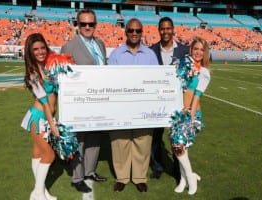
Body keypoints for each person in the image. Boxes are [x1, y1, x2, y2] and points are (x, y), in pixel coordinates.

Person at [108, 18, 159, 193]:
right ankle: (122, 177)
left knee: (142, 142)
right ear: (126, 32)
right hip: (120, 107)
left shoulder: (150, 55)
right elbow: (110, 80)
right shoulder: (116, 54)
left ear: (142, 32)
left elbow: (157, 81)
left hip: (143, 108)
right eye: (131, 30)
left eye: (138, 30)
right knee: (120, 142)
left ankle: (139, 177)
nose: (134, 33)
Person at [60, 8, 107, 193]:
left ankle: (89, 171)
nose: (87, 27)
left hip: (99, 100)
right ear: (77, 25)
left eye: (91, 24)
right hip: (79, 102)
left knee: (95, 138)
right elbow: (62, 76)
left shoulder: (101, 44)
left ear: (95, 25)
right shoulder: (69, 47)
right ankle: (78, 177)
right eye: (83, 24)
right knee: (78, 139)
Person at [21, 33, 60, 200]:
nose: (40, 51)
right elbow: (45, 103)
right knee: (49, 154)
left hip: (46, 116)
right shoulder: (33, 73)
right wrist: (52, 125)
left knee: (38, 153)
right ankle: (37, 194)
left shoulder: (49, 66)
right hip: (39, 117)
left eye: (42, 47)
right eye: (35, 49)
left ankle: (41, 191)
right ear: (30, 52)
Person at [170, 37, 211, 195]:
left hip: (191, 114)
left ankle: (190, 176)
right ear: (191, 50)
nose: (199, 52)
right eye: (196, 49)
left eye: (202, 50)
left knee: (178, 147)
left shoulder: (205, 73)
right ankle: (183, 179)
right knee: (178, 148)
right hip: (178, 113)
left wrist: (189, 117)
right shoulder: (183, 65)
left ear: (205, 53)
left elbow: (196, 97)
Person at [149, 17, 189, 180]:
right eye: (162, 29)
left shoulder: (184, 51)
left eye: (168, 28)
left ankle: (178, 168)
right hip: (157, 101)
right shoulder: (151, 50)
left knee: (177, 136)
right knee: (156, 137)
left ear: (173, 29)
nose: (165, 31)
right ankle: (158, 166)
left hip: (177, 102)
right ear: (159, 30)